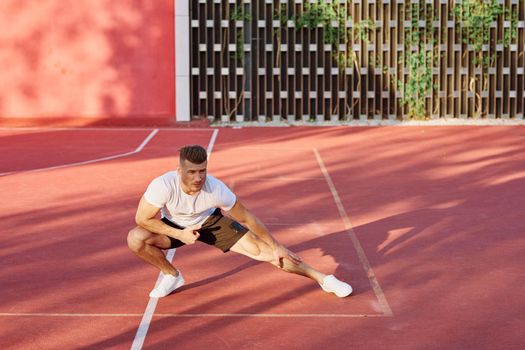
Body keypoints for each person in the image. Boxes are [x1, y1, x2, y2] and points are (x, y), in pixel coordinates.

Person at [127, 145, 352, 298]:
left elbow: (247, 218)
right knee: (136, 238)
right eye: (192, 172)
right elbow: (142, 218)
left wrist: (276, 245)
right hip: (175, 225)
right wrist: (180, 234)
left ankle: (324, 279)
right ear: (179, 171)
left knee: (267, 252)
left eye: (202, 171)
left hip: (210, 221)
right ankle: (171, 275)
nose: (198, 178)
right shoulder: (163, 185)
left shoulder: (215, 188)